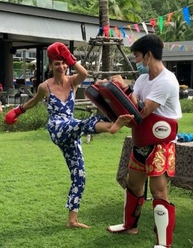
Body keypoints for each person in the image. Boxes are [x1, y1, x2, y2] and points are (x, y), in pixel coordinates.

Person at [4, 42, 133, 229]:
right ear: (51, 66)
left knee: (79, 175)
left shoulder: (73, 81)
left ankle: (72, 220)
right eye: (57, 63)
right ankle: (111, 128)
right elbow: (32, 103)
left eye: (64, 63)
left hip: (72, 131)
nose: (62, 66)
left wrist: (70, 57)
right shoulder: (44, 87)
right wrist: (16, 112)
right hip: (57, 127)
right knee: (80, 123)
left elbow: (84, 74)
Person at [105, 34, 182, 248]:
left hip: (160, 144)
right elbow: (130, 108)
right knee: (133, 185)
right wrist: (117, 90)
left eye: (138, 56)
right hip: (140, 141)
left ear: (149, 55)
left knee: (159, 192)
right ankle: (130, 225)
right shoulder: (142, 79)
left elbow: (142, 110)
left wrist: (123, 88)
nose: (136, 61)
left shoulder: (167, 80)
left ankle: (163, 243)